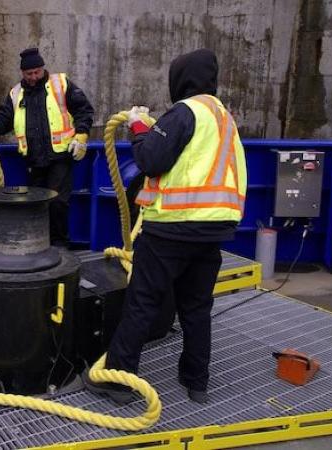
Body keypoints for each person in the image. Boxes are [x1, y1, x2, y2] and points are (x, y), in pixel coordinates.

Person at [83, 49, 247, 404]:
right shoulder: (224, 119)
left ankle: (120, 382)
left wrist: (141, 128)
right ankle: (196, 381)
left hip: (171, 229)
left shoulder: (185, 112)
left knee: (142, 303)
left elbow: (150, 160)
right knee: (197, 307)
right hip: (213, 232)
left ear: (181, 79)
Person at [0, 48, 94, 247]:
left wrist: (81, 135)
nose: (34, 77)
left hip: (60, 156)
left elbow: (84, 110)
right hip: (34, 159)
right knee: (36, 203)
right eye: (29, 73)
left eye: (37, 72)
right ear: (22, 73)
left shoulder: (60, 84)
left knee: (57, 202)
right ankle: (40, 244)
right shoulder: (16, 94)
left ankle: (59, 245)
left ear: (42, 68)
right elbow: (4, 118)